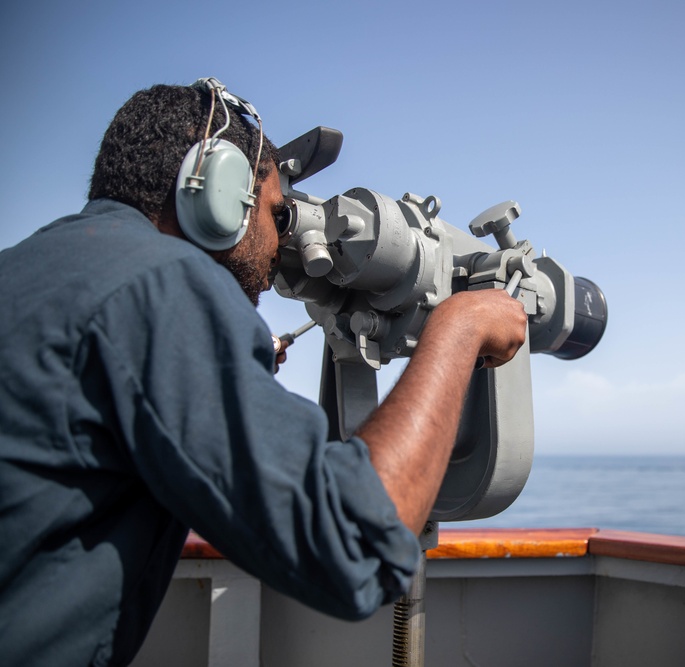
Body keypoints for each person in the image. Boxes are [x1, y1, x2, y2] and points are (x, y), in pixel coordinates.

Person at [0, 80, 527, 666]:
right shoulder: (164, 281)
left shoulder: (43, 268)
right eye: (277, 215)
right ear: (217, 192)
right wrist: (455, 330)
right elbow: (352, 545)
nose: (279, 247)